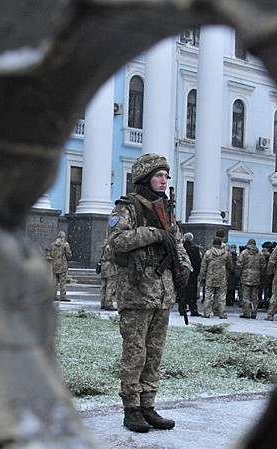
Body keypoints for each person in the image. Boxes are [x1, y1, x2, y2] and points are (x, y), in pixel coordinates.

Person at [108, 152, 192, 433]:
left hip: (162, 294)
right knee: (135, 353)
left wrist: (185, 269)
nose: (164, 179)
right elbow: (116, 241)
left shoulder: (167, 210)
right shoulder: (128, 207)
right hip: (137, 292)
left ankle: (148, 406)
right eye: (159, 175)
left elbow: (178, 243)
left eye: (166, 175)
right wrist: (154, 235)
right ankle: (131, 408)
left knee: (154, 354)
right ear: (145, 177)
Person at [198, 236, 229, 319]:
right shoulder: (225, 254)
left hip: (210, 277)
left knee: (208, 295)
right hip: (222, 277)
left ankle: (206, 313)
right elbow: (229, 265)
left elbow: (203, 266)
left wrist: (202, 276)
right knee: (221, 296)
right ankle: (222, 313)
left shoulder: (208, 253)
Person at [235, 238, 266, 318]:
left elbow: (239, 265)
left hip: (245, 277)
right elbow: (263, 266)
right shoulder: (260, 254)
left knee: (245, 296)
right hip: (256, 277)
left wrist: (238, 274)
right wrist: (261, 275)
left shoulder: (244, 253)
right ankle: (254, 312)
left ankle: (246, 312)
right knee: (254, 296)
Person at [181, 232, 201, 316]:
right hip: (192, 273)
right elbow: (198, 262)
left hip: (183, 272)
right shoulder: (195, 249)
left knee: (182, 291)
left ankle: (182, 308)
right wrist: (196, 272)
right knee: (192, 292)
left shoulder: (181, 248)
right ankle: (193, 309)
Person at [50, 231, 72, 302]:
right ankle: (62, 296)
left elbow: (51, 254)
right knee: (63, 282)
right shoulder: (65, 244)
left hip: (55, 264)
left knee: (54, 281)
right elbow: (69, 255)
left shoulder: (53, 244)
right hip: (62, 265)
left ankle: (53, 296)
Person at [98, 237, 117, 310]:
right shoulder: (110, 246)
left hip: (103, 266)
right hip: (109, 266)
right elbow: (112, 257)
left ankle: (102, 303)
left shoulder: (103, 245)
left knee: (103, 285)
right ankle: (108, 303)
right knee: (110, 285)